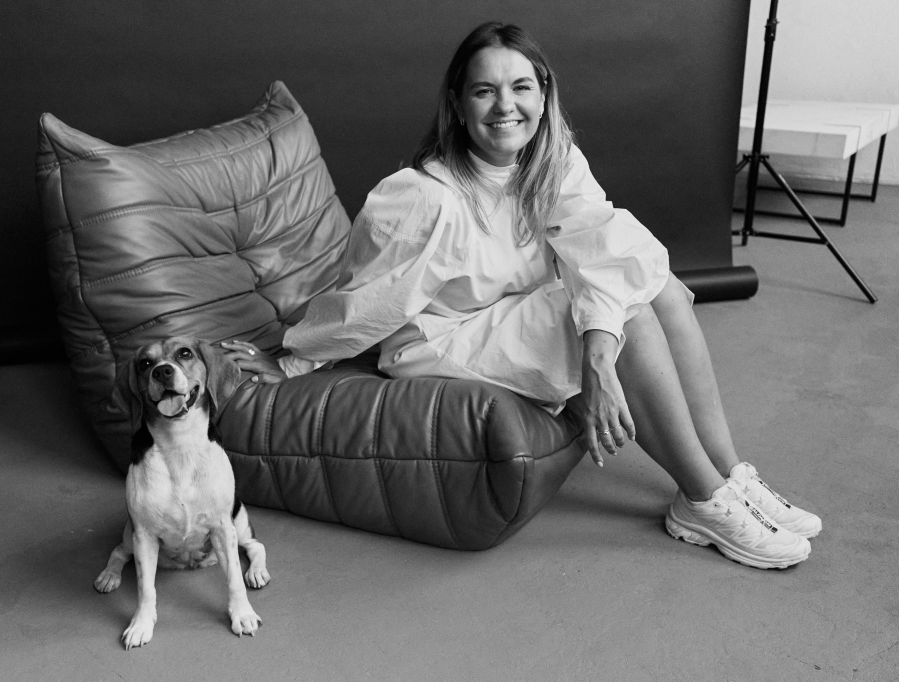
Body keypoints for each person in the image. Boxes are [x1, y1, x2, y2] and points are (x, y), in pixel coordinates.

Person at [221, 21, 820, 569]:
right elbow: (367, 301)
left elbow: (604, 248)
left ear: (543, 94)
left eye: (521, 87)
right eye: (484, 91)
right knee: (631, 316)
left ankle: (730, 473)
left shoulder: (551, 162)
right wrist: (294, 357)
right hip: (441, 336)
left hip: (509, 314)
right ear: (457, 105)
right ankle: (702, 498)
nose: (505, 106)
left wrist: (599, 354)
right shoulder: (422, 196)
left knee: (654, 283)